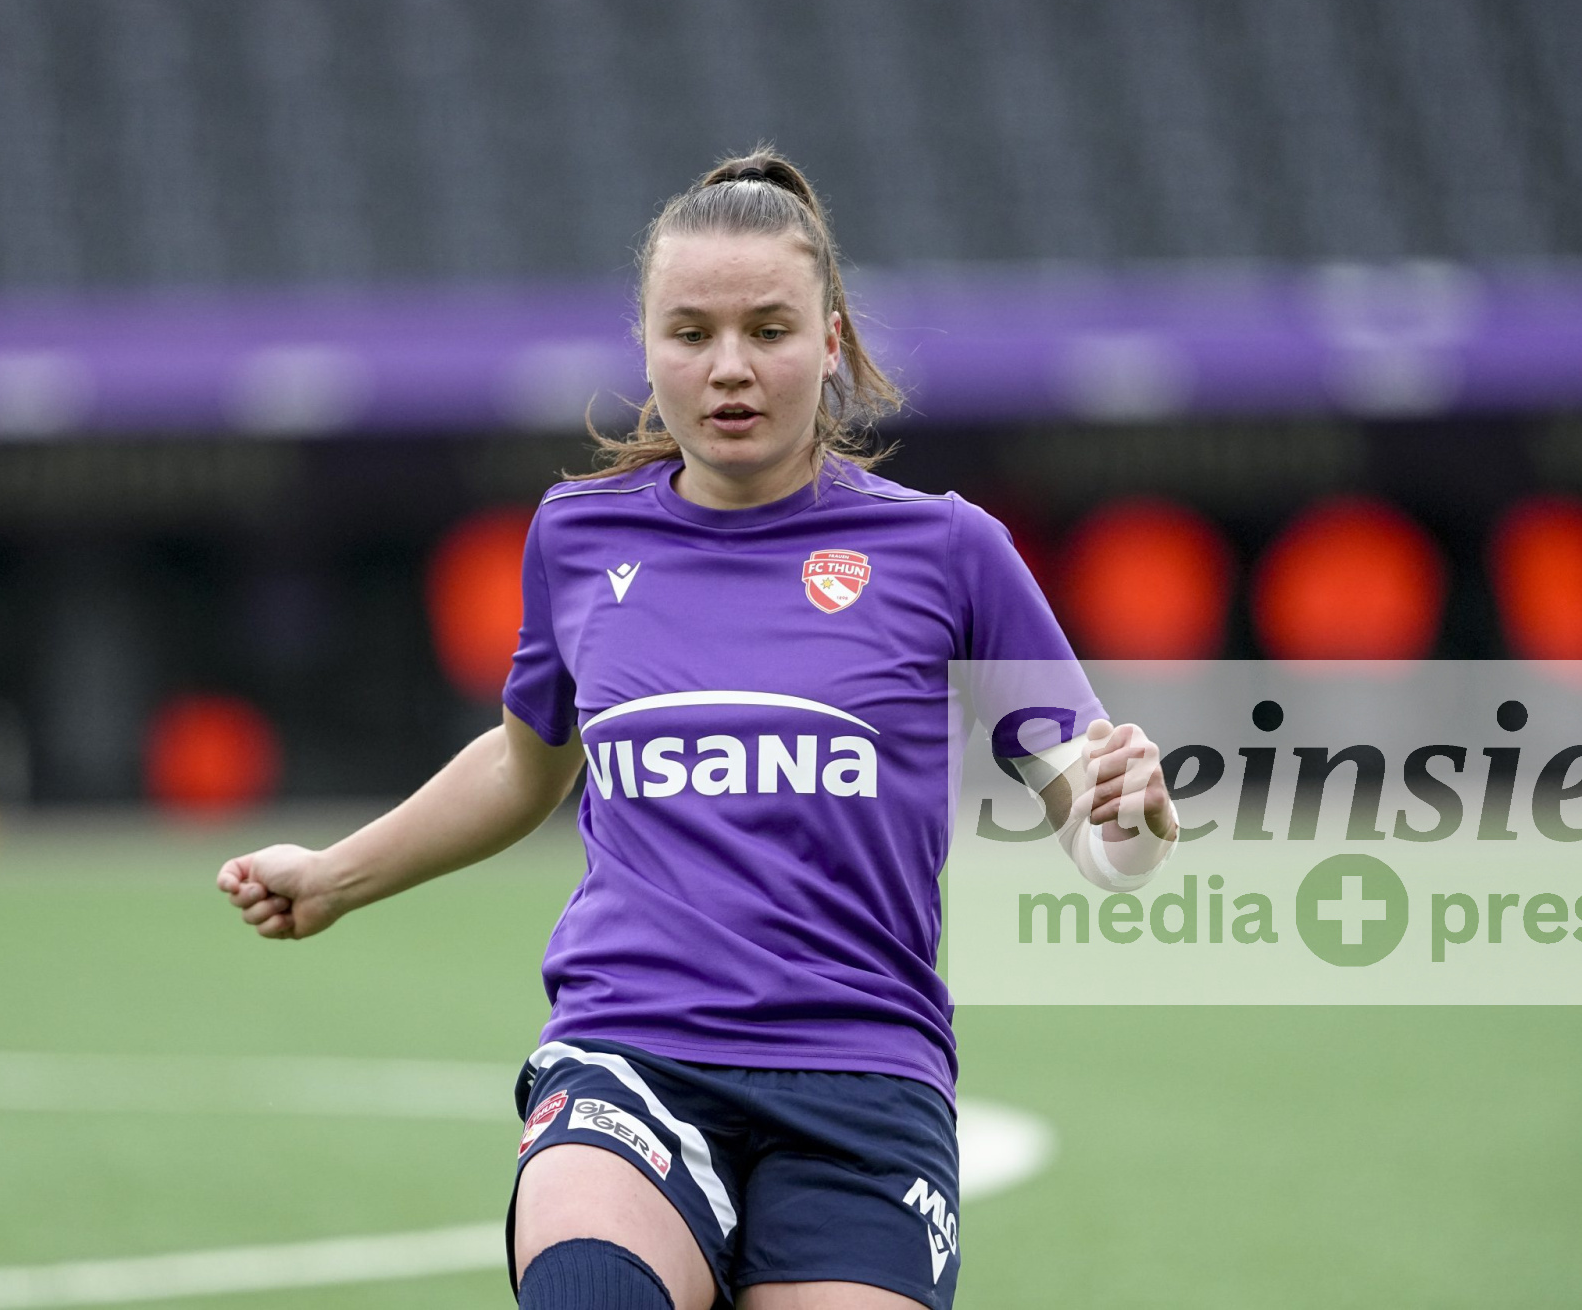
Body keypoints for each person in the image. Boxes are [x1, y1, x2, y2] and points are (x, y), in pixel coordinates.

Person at [216, 147, 1178, 1310]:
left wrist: (1130, 818)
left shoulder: (949, 550)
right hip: (630, 1048)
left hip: (863, 1081)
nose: (729, 367)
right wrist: (333, 876)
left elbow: (1100, 830)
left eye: (768, 330)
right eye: (690, 333)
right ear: (645, 347)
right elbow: (526, 764)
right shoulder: (576, 537)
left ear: (829, 342)